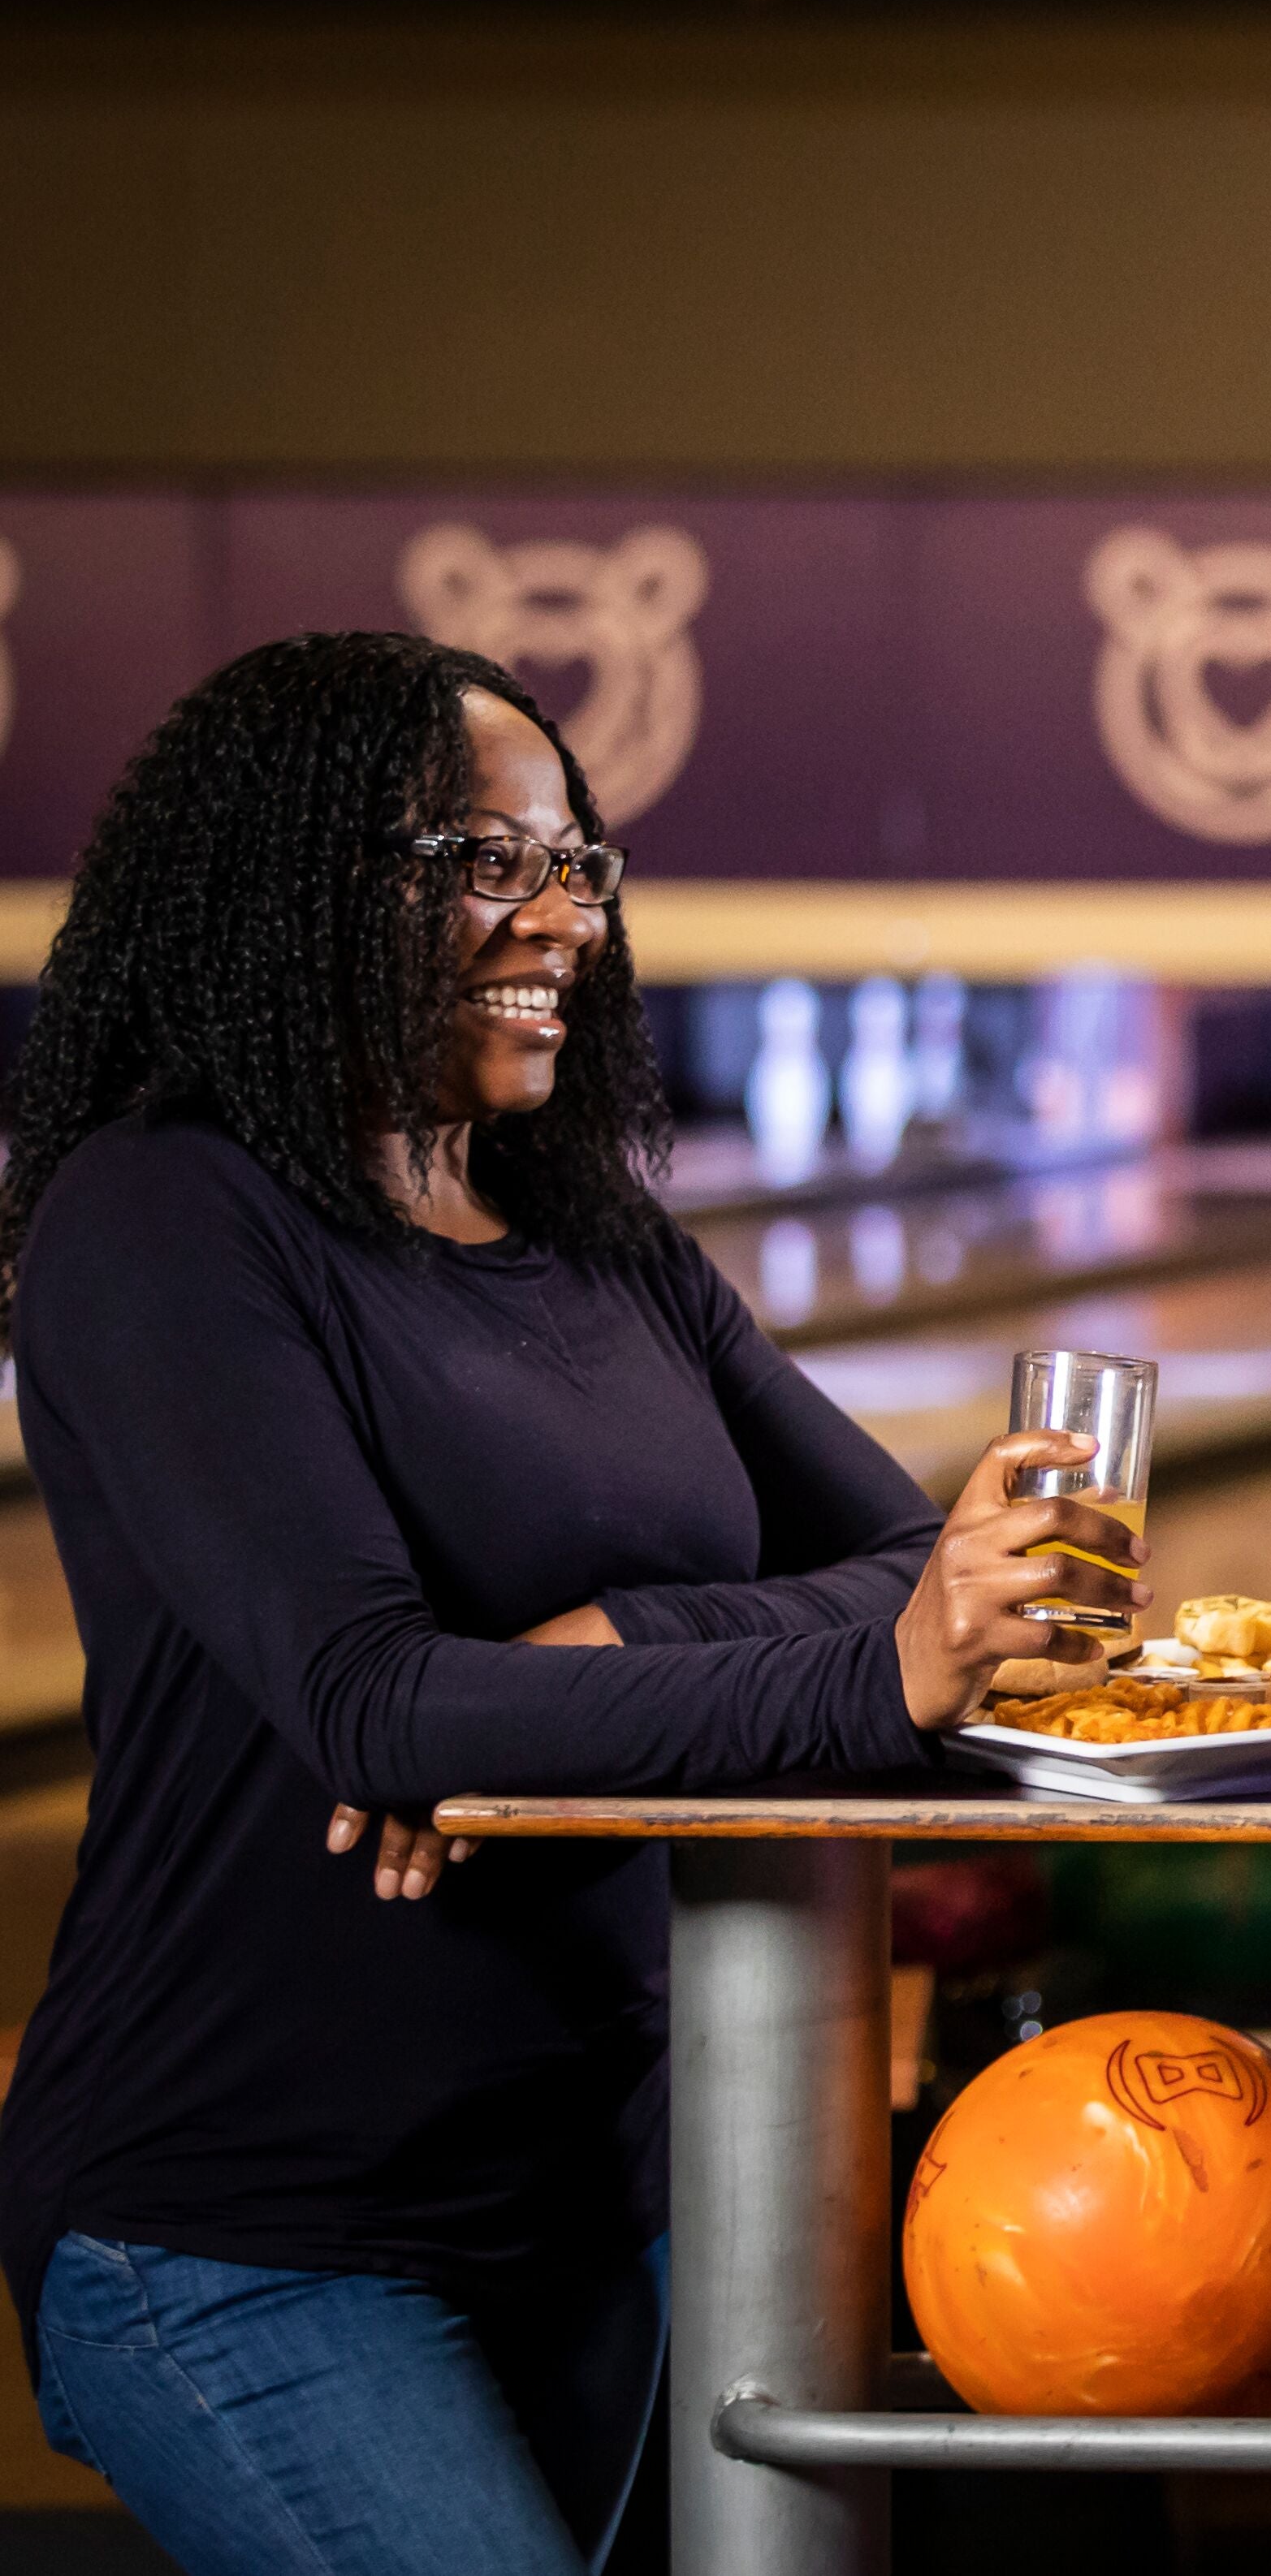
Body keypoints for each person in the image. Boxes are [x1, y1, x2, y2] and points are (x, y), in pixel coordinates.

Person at [0, 633, 1120, 2576]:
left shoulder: (601, 1239)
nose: (565, 921)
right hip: (252, 2226)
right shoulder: (162, 1216)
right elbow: (375, 1708)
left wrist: (613, 1647)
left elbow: (900, 1565)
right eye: (488, 862)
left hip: (608, 2196)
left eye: (577, 864)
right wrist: (856, 1666)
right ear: (307, 879)